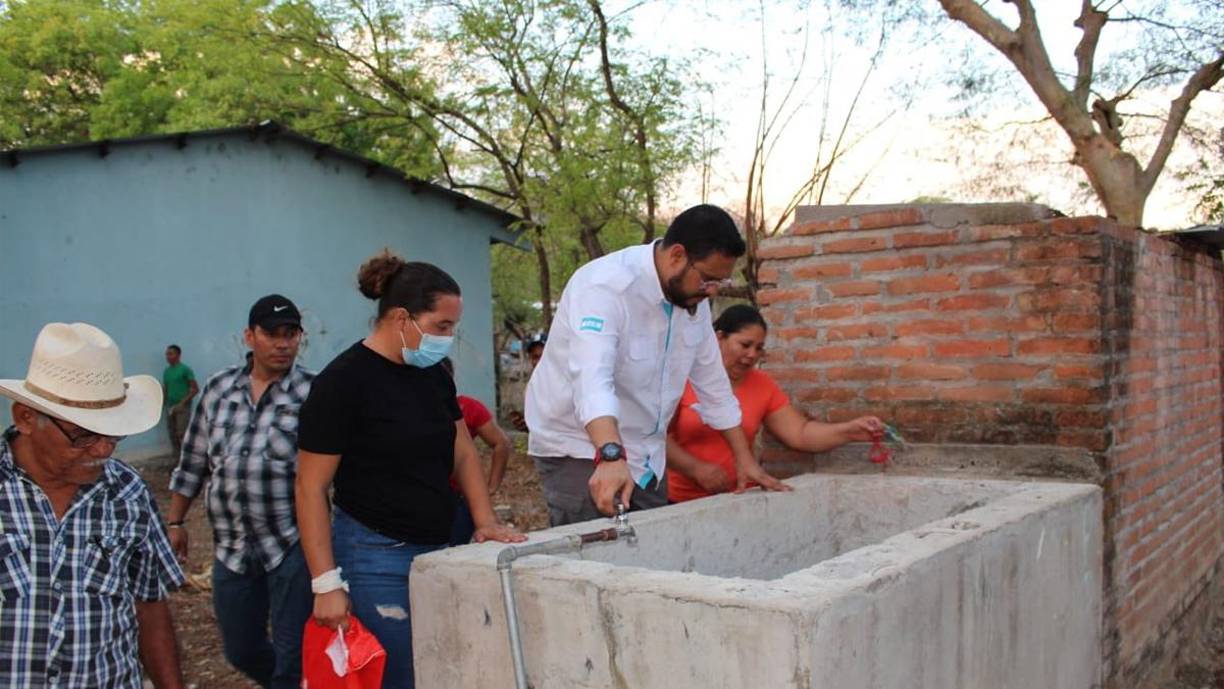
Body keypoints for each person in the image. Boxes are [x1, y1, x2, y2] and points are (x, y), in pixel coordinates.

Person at [295, 250, 524, 689]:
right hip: (376, 554)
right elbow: (310, 486)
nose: (449, 338)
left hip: (443, 542)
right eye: (442, 326)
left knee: (445, 664)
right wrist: (325, 582)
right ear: (402, 318)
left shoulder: (433, 373)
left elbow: (461, 451)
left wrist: (485, 520)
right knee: (399, 674)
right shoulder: (342, 383)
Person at [525, 204, 788, 527]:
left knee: (649, 557)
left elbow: (713, 384)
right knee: (596, 559)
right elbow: (592, 381)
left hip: (647, 455)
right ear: (677, 255)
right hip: (579, 448)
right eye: (707, 279)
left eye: (719, 281)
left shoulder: (692, 299)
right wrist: (609, 455)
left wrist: (744, 459)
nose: (713, 291)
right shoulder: (604, 287)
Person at [0, 322, 186, 688]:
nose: (102, 450)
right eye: (83, 435)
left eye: (113, 434)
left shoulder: (128, 493)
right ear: (25, 418)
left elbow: (150, 607)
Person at [165, 295, 315, 689]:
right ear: (250, 336)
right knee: (240, 649)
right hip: (231, 547)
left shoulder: (313, 393)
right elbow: (194, 459)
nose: (283, 343)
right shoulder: (218, 389)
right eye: (272, 334)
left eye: (291, 334)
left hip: (290, 544)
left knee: (292, 656)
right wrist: (175, 520)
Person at [667, 305, 885, 502]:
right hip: (682, 501)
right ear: (719, 338)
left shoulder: (762, 384)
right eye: (745, 345)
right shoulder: (683, 377)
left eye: (759, 348)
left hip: (740, 498)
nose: (752, 355)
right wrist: (696, 469)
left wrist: (850, 431)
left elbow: (799, 433)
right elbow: (654, 437)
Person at [439, 356, 512, 545]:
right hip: (421, 499)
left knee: (453, 552)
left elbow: (501, 443)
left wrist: (491, 487)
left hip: (459, 500)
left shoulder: (467, 408)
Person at [162, 343, 198, 458]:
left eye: (171, 354)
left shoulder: (185, 370)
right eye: (167, 354)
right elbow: (166, 389)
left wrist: (182, 403)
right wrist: (163, 405)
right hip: (170, 407)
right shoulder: (167, 371)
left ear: (178, 355)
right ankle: (177, 459)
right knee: (172, 434)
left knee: (182, 434)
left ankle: (187, 459)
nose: (168, 357)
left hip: (182, 407)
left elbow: (195, 389)